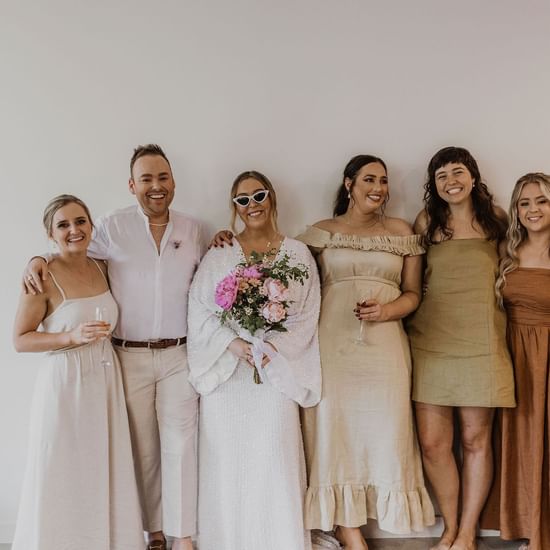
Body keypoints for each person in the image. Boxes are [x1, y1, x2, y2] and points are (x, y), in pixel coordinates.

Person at [23, 145, 204, 550]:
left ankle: (183, 537)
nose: (156, 187)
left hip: (180, 354)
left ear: (173, 181)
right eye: (146, 179)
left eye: (162, 178)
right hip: (127, 355)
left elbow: (208, 275)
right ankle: (153, 533)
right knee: (140, 450)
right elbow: (71, 250)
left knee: (182, 444)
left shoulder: (193, 229)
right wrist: (37, 258)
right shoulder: (109, 226)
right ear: (132, 185)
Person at [296, 155, 435, 550]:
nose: (378, 187)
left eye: (384, 180)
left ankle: (376, 515)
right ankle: (347, 529)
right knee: (334, 430)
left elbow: (413, 293)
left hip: (386, 345)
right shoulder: (321, 232)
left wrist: (387, 310)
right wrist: (226, 236)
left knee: (386, 430)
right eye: (369, 179)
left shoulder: (401, 231)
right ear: (349, 184)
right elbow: (284, 268)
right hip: (333, 346)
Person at [187, 170, 321, 550]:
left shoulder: (296, 252)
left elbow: (308, 311)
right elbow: (200, 310)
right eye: (242, 200)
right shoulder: (220, 251)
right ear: (234, 207)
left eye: (258, 195)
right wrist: (234, 345)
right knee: (228, 463)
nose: (252, 206)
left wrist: (272, 350)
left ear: (272, 198)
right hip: (229, 375)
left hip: (275, 371)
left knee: (275, 457)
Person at [12, 195, 144, 550]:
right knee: (62, 468)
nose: (74, 230)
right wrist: (68, 336)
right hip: (65, 384)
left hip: (104, 381)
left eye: (80, 221)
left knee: (100, 466)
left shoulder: (102, 265)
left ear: (91, 225)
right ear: (50, 233)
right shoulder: (42, 276)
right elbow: (20, 340)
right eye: (64, 225)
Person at [407, 146, 515, 550]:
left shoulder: (497, 220)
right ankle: (449, 527)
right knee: (435, 444)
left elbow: (512, 267)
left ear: (473, 176)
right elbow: (412, 281)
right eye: (441, 176)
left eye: (458, 172)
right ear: (434, 185)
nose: (451, 181)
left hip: (483, 342)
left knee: (475, 441)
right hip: (431, 341)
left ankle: (468, 533)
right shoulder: (426, 221)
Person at [482, 173, 550, 550]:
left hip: (548, 355)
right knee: (522, 442)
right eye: (525, 203)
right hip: (512, 356)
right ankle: (529, 526)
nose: (533, 210)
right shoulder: (506, 252)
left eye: (542, 201)